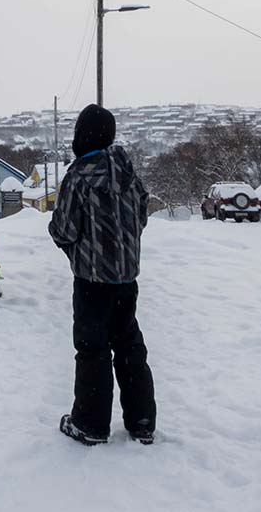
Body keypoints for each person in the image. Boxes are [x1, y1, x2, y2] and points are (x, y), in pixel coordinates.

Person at [48, 104, 157, 446]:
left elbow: (63, 229)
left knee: (92, 349)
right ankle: (142, 421)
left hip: (92, 281)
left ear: (81, 136)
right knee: (129, 346)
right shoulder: (130, 174)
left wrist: (78, 245)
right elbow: (141, 216)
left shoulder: (78, 177)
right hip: (127, 279)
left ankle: (90, 425)